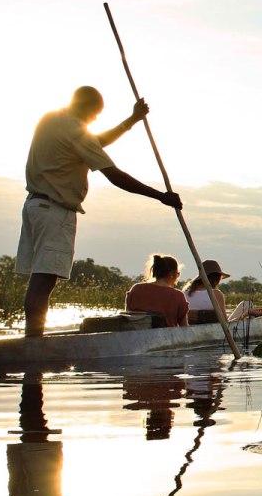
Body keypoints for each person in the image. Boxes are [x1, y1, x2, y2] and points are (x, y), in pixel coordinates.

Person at [18, 86, 182, 337]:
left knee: (39, 280)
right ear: (86, 107)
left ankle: (32, 338)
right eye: (95, 115)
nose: (94, 120)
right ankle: (33, 342)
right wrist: (161, 196)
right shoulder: (74, 129)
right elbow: (115, 175)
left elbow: (94, 143)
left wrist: (131, 121)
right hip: (54, 210)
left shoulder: (51, 119)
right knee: (44, 281)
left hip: (34, 206)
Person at [184, 259, 262, 324]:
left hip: (194, 329)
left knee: (246, 304)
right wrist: (247, 313)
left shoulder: (184, 294)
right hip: (216, 331)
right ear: (216, 279)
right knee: (248, 304)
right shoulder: (216, 294)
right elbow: (226, 325)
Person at [124, 253, 188, 328]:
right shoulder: (177, 296)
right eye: (178, 274)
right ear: (171, 274)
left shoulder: (136, 289)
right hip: (165, 337)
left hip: (134, 336)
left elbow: (128, 316)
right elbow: (184, 328)